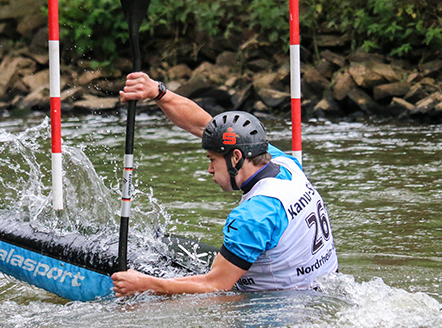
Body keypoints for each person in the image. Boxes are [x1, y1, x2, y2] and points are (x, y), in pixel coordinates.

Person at [111, 71, 337, 297]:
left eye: (212, 160)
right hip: (323, 288)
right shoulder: (285, 164)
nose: (209, 169)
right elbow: (204, 126)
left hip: (278, 307)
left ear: (236, 157)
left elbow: (215, 285)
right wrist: (159, 93)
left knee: (159, 299)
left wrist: (145, 284)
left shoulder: (253, 215)